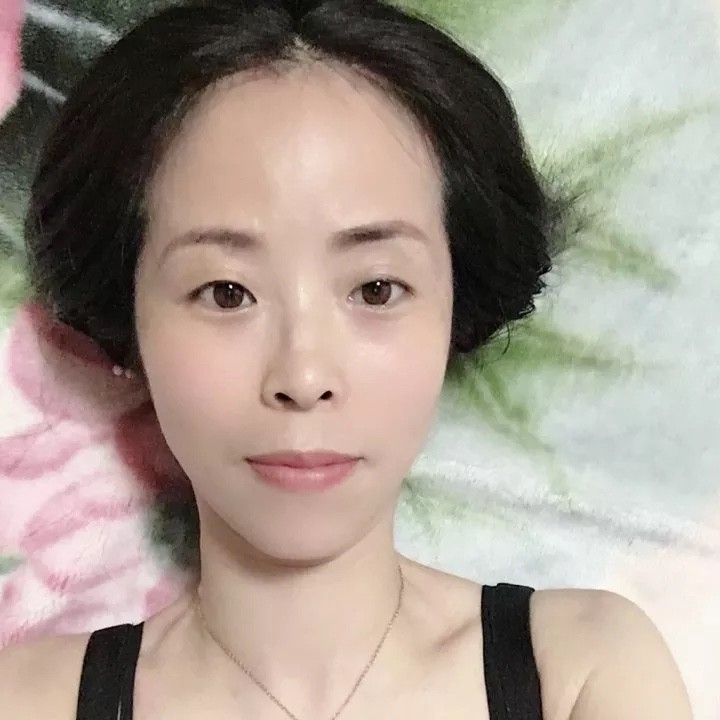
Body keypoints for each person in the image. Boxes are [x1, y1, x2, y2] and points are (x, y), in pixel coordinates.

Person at [0, 1, 693, 718]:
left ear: (458, 304)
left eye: (376, 289)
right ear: (127, 317)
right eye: (227, 293)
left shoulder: (577, 669)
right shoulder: (26, 700)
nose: (303, 379)